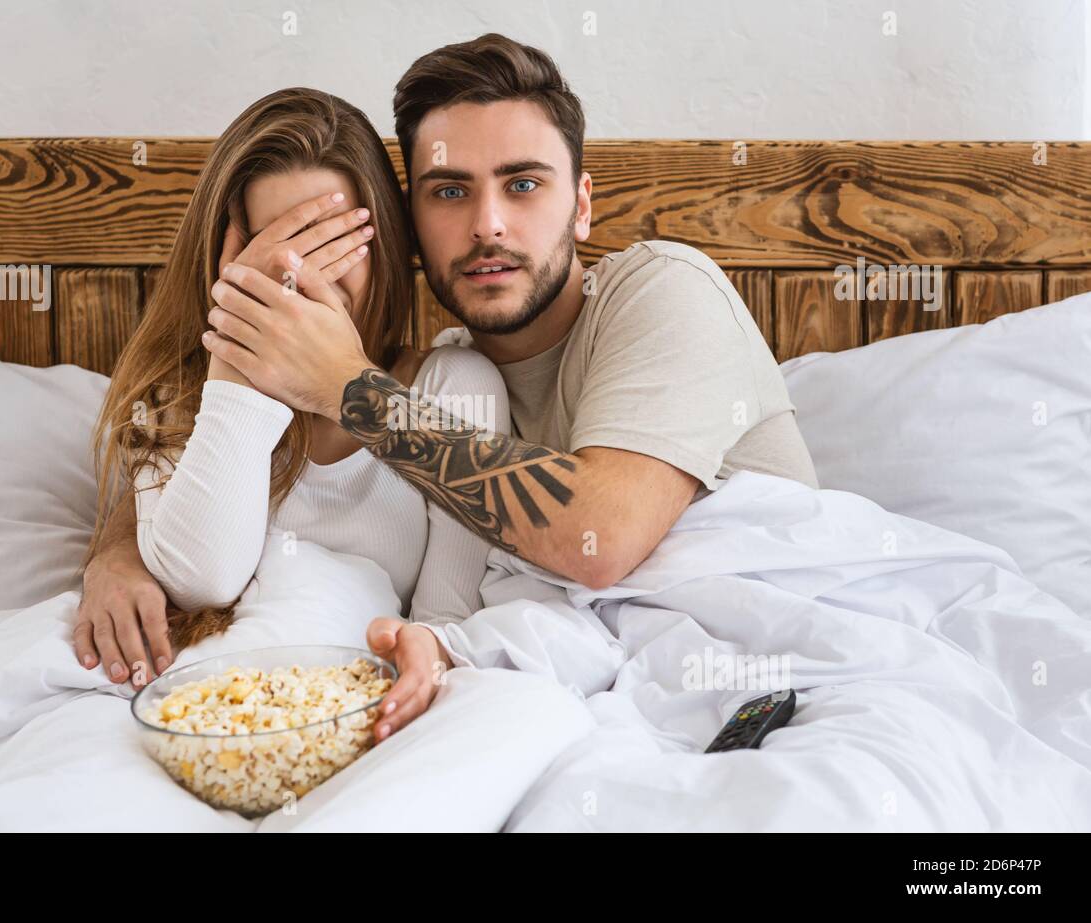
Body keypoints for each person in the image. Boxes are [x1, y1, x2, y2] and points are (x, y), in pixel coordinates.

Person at [199, 34, 819, 713]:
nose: (486, 225)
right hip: (568, 688)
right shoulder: (447, 379)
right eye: (449, 191)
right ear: (410, 227)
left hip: (753, 677)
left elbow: (600, 539)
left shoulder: (666, 290)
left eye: (523, 184)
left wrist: (350, 388)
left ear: (582, 205)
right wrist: (121, 551)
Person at [73, 87, 510, 745]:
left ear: (384, 242)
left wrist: (427, 648)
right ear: (231, 254)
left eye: (332, 240)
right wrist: (237, 361)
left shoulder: (454, 386)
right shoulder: (189, 393)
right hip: (203, 706)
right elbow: (203, 578)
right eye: (277, 244)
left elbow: (449, 610)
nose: (302, 273)